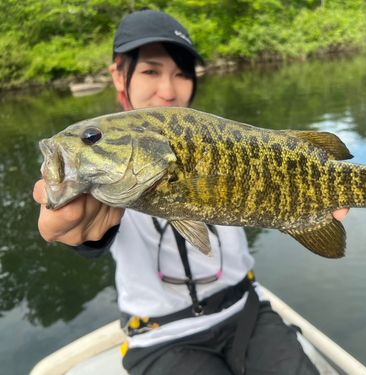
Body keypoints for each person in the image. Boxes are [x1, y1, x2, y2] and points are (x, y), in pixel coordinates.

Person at [33, 10, 349, 375]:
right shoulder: (109, 164)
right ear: (119, 75)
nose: (168, 90)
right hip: (161, 338)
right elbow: (92, 232)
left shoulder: (215, 134)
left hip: (248, 312)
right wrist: (82, 232)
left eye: (182, 74)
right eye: (151, 71)